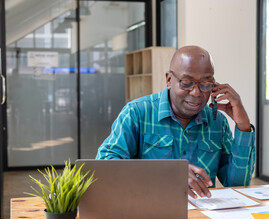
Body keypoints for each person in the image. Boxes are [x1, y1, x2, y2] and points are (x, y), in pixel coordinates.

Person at [96, 45, 255, 199]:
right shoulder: (137, 112)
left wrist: (243, 126)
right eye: (186, 82)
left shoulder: (217, 122)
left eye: (206, 84)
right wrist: (167, 172)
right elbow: (105, 168)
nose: (196, 92)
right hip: (150, 209)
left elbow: (237, 184)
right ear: (169, 79)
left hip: (202, 218)